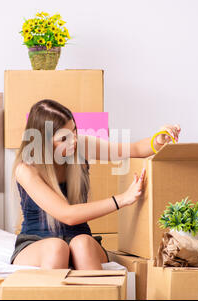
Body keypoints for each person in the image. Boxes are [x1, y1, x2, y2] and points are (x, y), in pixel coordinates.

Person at [10, 99, 181, 270]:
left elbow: (135, 149)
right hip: (36, 241)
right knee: (56, 248)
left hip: (78, 236)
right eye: (64, 138)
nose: (73, 141)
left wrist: (159, 140)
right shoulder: (26, 169)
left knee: (82, 244)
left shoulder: (79, 146)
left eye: (74, 131)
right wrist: (122, 200)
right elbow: (67, 215)